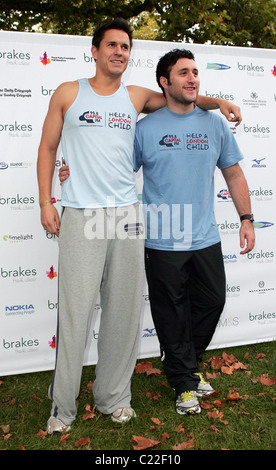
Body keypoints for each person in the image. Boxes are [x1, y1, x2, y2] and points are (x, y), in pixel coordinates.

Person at [37, 17, 243, 434]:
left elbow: (183, 100)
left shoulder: (136, 97)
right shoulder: (68, 93)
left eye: (125, 47)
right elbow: (47, 147)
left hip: (129, 217)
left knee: (123, 314)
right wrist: (46, 200)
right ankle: (62, 407)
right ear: (94, 51)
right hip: (82, 214)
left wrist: (219, 102)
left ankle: (114, 397)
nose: (119, 51)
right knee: (76, 313)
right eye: (111, 45)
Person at [133, 48, 255, 415]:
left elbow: (233, 173)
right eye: (183, 73)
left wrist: (246, 217)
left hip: (205, 236)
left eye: (195, 72)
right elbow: (118, 172)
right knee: (170, 312)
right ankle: (185, 383)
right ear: (164, 82)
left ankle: (184, 365)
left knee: (212, 301)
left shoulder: (214, 123)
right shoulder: (145, 129)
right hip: (161, 239)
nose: (192, 78)